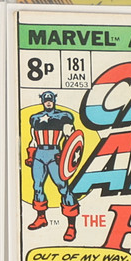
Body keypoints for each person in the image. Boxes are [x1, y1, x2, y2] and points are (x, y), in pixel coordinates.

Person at [27, 91, 80, 238]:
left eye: (50, 100)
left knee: (63, 187)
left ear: (54, 100)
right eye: (46, 100)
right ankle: (41, 218)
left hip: (54, 154)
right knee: (37, 187)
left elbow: (71, 138)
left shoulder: (63, 117)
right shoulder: (35, 118)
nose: (48, 102)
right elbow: (33, 139)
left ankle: (71, 226)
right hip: (39, 154)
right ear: (43, 101)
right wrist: (31, 155)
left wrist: (66, 156)